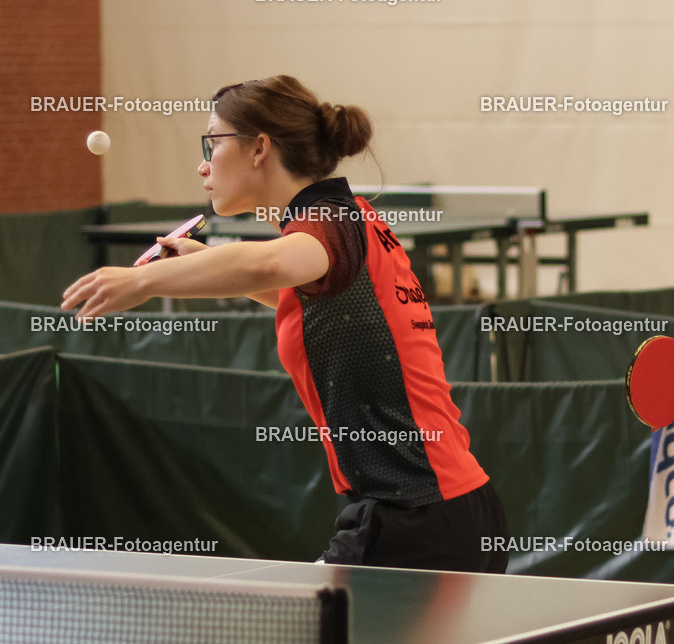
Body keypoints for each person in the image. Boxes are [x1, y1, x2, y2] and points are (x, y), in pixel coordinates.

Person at [61, 75, 508, 573]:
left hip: (413, 514)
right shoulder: (351, 219)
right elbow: (301, 296)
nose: (202, 164)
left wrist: (145, 281)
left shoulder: (328, 223)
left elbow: (272, 265)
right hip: (449, 505)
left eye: (213, 141)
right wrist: (198, 259)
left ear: (259, 149)